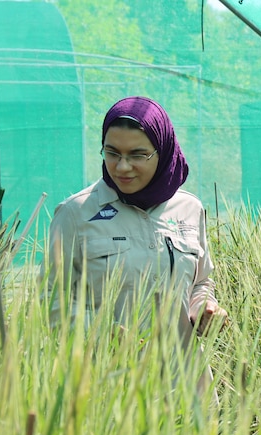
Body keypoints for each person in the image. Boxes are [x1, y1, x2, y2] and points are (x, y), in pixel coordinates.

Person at [44, 96, 227, 386]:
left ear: (162, 150)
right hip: (107, 388)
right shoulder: (76, 214)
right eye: (112, 152)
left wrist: (204, 306)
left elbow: (201, 282)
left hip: (185, 386)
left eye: (138, 155)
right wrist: (100, 332)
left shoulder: (189, 209)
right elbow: (55, 303)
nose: (122, 167)